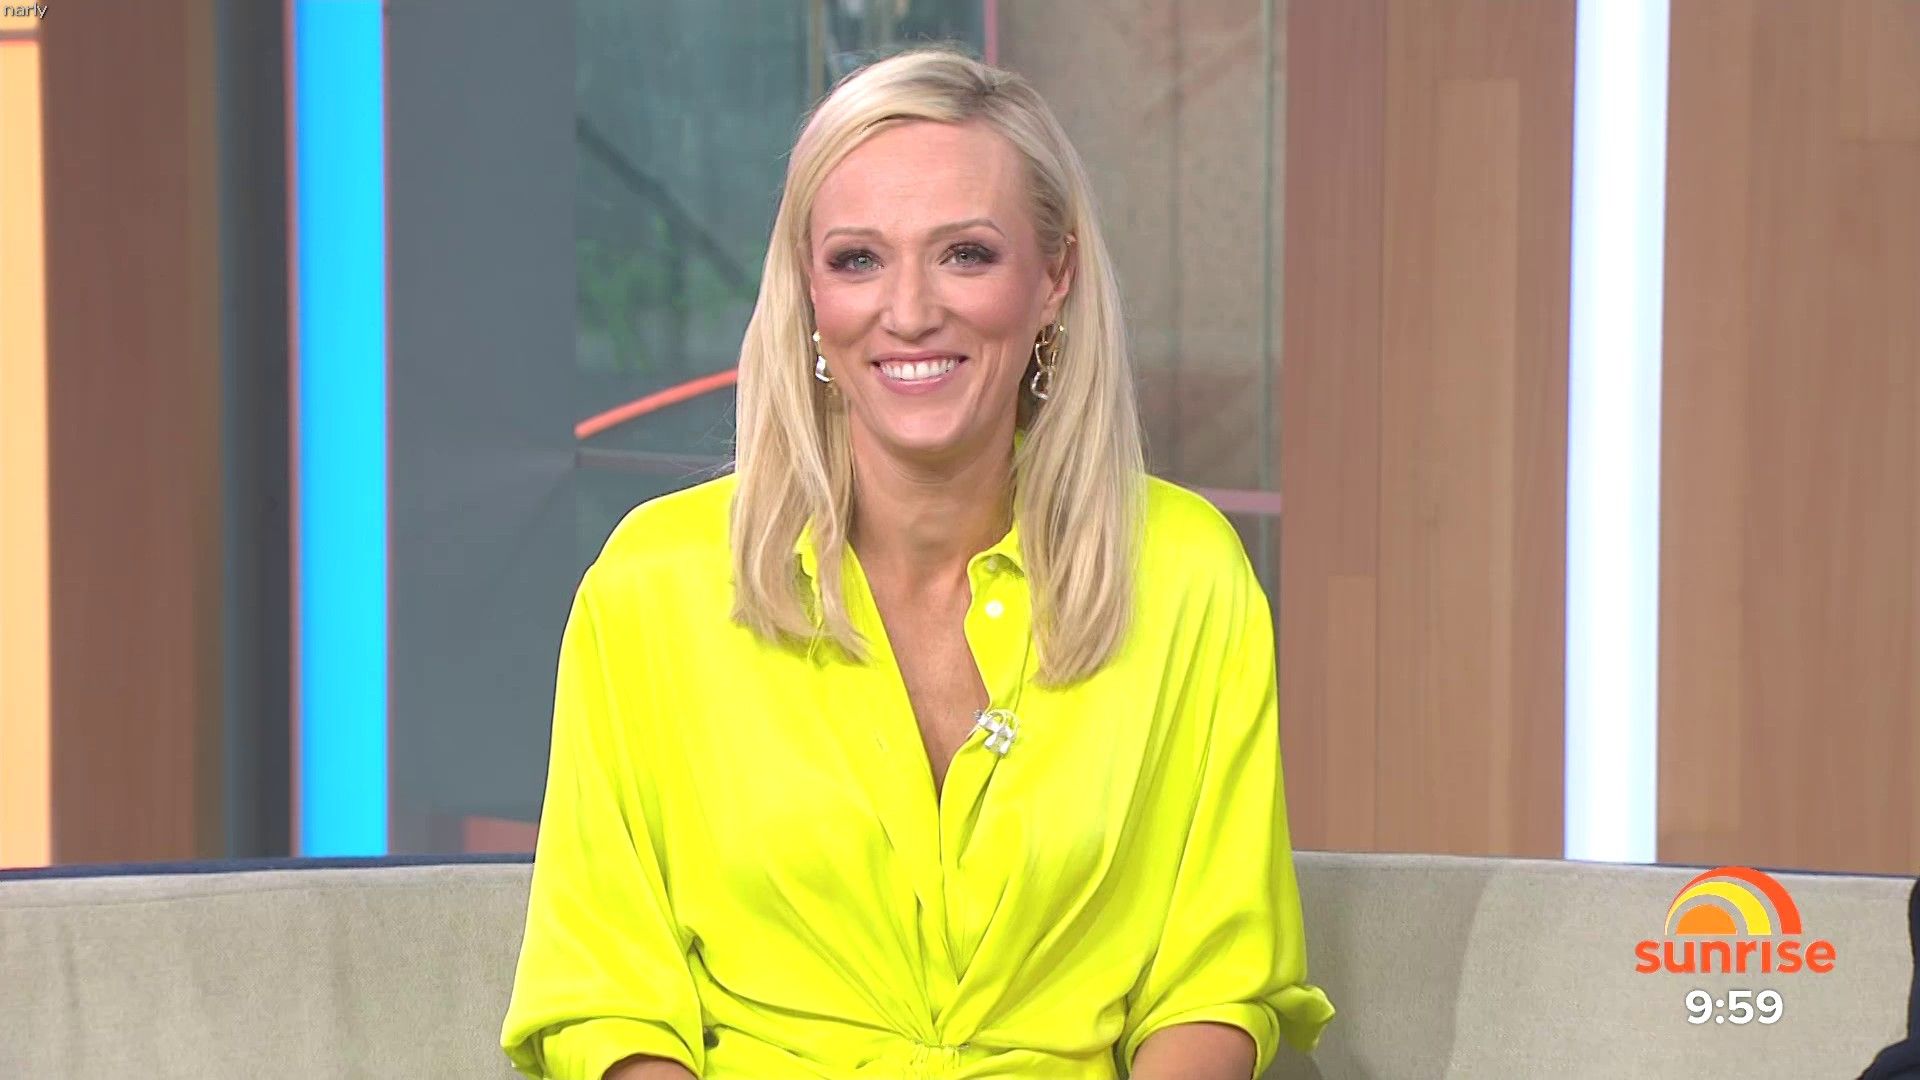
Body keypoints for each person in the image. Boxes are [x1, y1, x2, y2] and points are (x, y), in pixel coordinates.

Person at [501, 47, 1333, 1080]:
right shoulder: (652, 589)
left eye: (965, 254)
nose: (908, 311)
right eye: (858, 260)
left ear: (1055, 278)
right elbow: (608, 1001)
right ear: (808, 293)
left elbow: (1212, 985)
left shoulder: (1187, 577)